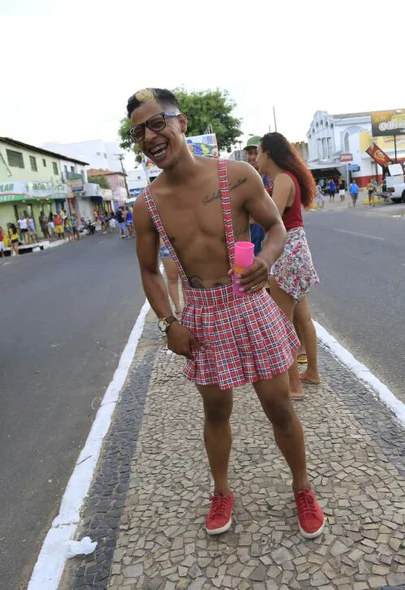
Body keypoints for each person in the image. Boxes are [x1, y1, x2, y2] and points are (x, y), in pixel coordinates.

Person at [126, 88, 324, 538]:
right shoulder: (146, 205)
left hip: (249, 302)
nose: (151, 136)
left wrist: (264, 260)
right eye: (140, 131)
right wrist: (168, 324)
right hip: (202, 313)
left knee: (278, 406)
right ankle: (221, 491)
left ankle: (302, 487)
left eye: (158, 123)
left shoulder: (236, 176)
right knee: (216, 410)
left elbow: (275, 228)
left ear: (182, 123)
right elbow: (149, 271)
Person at [257, 132, 322, 397]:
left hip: (287, 252)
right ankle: (312, 373)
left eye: (259, 153)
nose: (257, 159)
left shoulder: (283, 179)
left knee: (282, 322)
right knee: (302, 317)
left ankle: (294, 386)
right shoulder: (287, 177)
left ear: (268, 154)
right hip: (298, 250)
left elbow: (270, 217)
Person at [243, 135, 268, 256]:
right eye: (249, 153)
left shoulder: (271, 178)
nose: (252, 157)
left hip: (268, 236)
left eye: (256, 153)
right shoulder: (242, 179)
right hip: (249, 237)